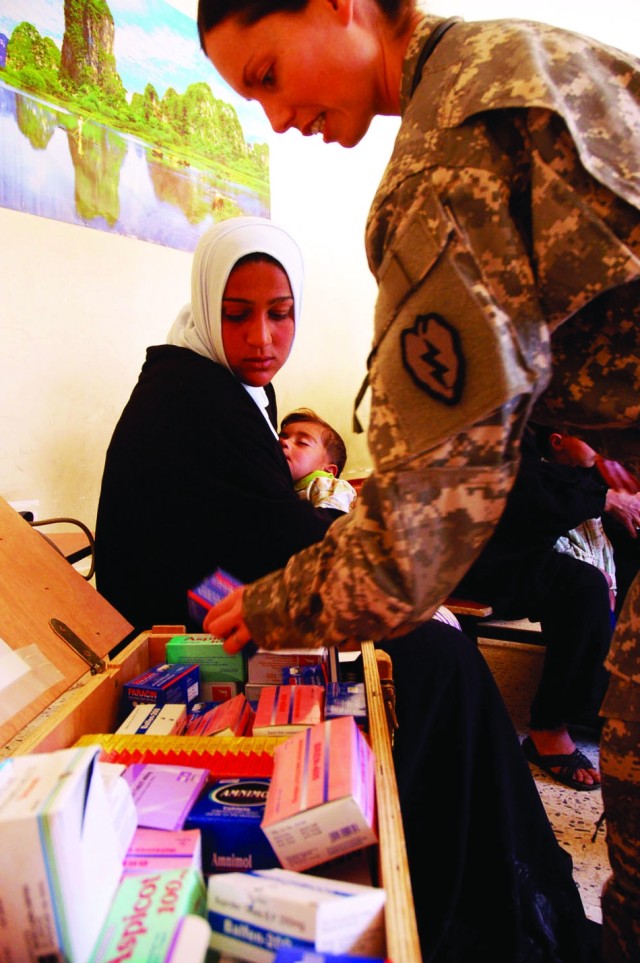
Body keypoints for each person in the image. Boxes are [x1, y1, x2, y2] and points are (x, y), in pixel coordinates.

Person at [196, 3, 640, 959]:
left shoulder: (447, 154)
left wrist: (271, 610)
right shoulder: (521, 55)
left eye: (268, 72)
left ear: (338, 6)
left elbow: (408, 549)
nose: (274, 119)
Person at [96, 217, 597, 960]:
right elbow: (257, 539)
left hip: (223, 593)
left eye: (281, 312)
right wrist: (367, 568)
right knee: (439, 662)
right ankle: (474, 907)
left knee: (435, 653)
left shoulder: (219, 385)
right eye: (237, 314)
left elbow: (258, 529)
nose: (263, 335)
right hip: (180, 623)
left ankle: (497, 890)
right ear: (207, 308)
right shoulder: (192, 396)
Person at [454, 424, 614, 790]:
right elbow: (526, 495)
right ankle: (548, 728)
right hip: (471, 552)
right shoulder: (501, 413)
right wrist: (603, 498)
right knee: (583, 587)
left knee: (601, 575)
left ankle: (605, 701)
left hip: (519, 546)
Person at [278, 407, 358, 512]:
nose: (284, 442)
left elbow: (329, 522)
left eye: (302, 442)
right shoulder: (282, 484)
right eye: (281, 438)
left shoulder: (327, 485)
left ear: (327, 471)